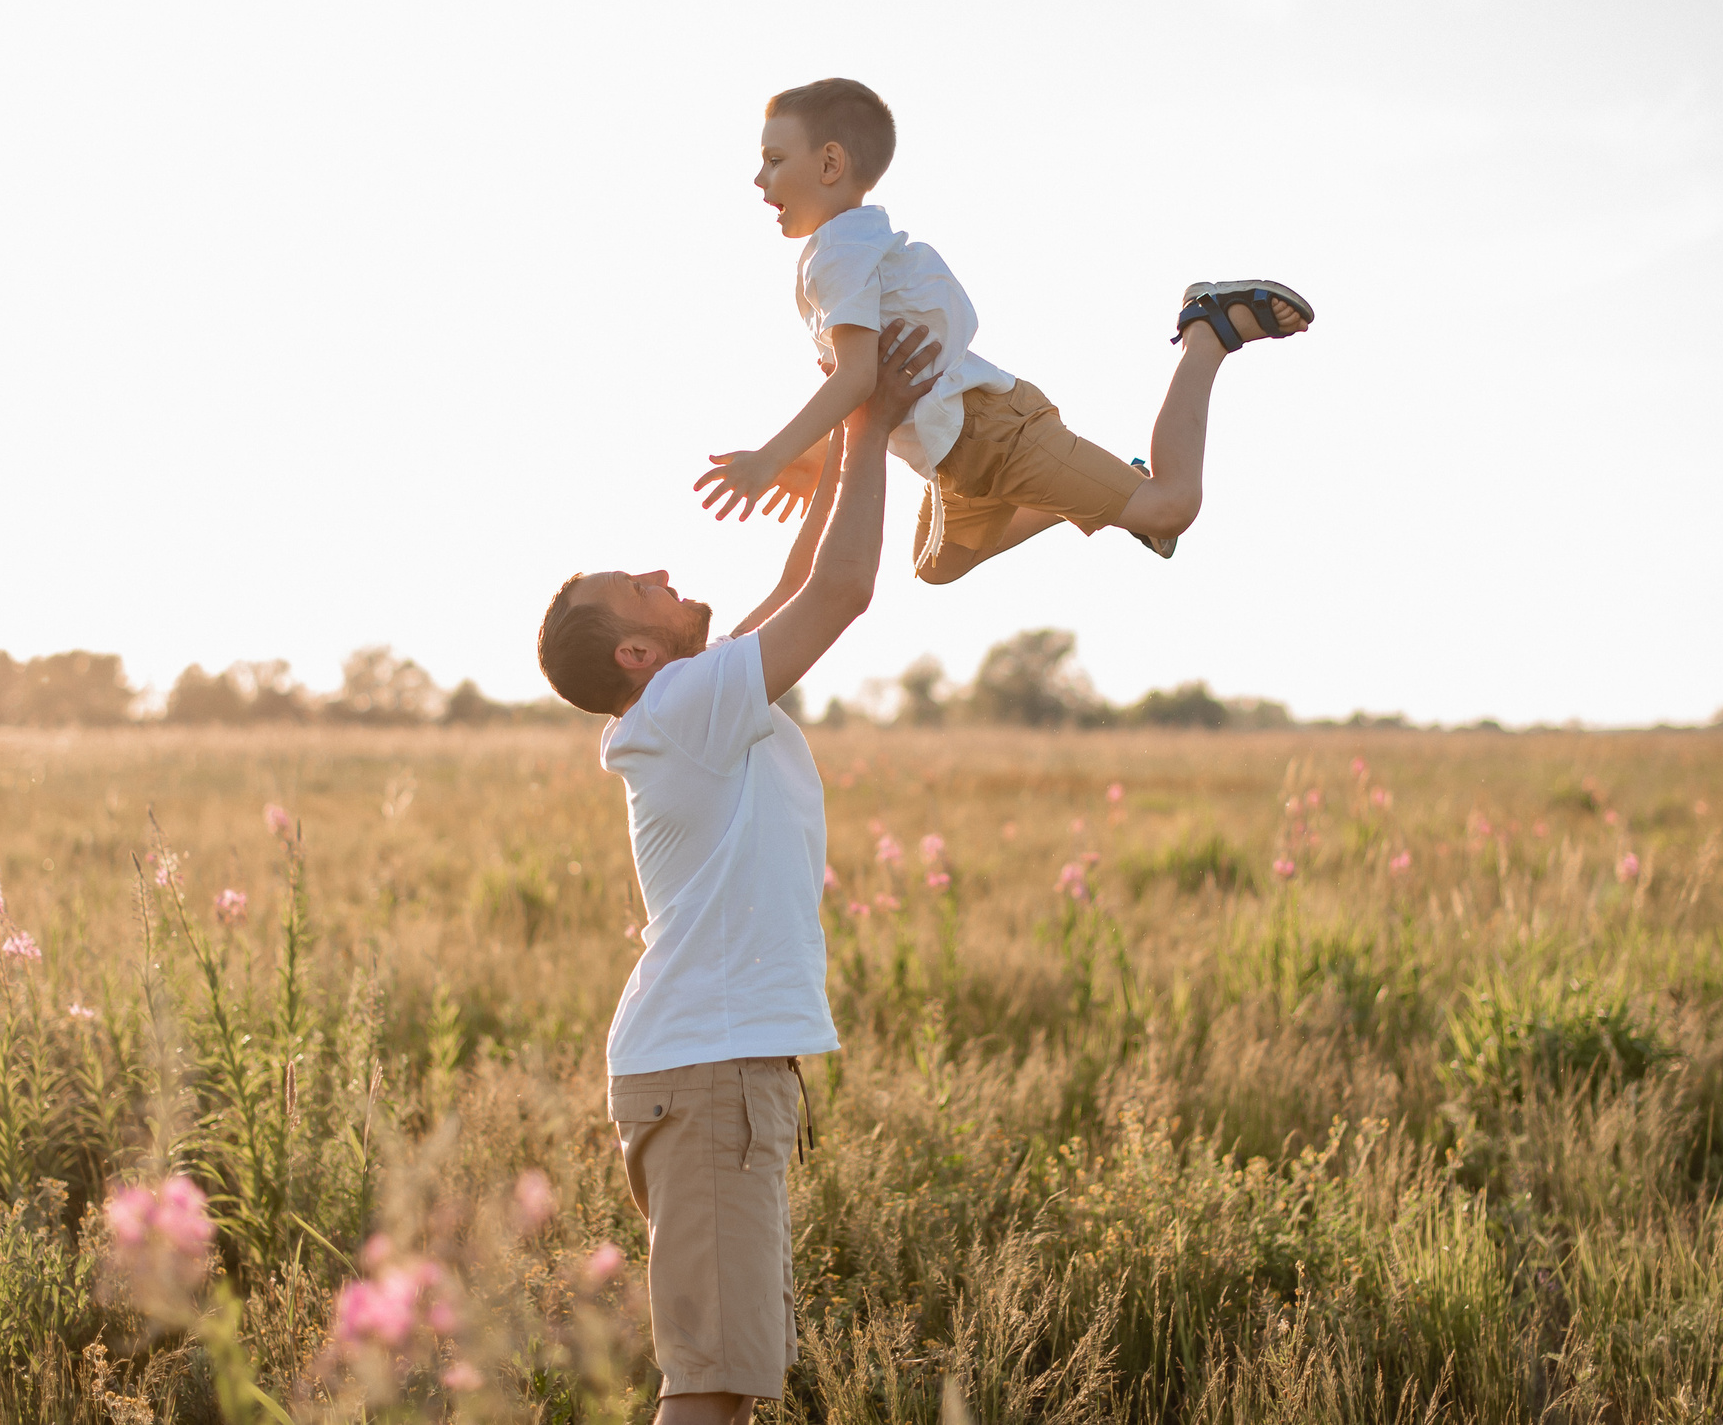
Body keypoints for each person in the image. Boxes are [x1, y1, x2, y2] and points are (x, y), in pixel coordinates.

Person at [536, 319, 943, 1424]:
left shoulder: (688, 701)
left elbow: (792, 583)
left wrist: (838, 457)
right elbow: (843, 590)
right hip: (710, 1064)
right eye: (641, 586)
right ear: (635, 652)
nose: (667, 573)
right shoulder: (682, 704)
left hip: (709, 1061)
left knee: (722, 1373)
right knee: (712, 1386)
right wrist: (864, 420)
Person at [693, 77, 1314, 582]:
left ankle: (1207, 330)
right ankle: (1107, 487)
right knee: (934, 568)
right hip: (956, 459)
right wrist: (815, 458)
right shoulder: (845, 248)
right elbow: (882, 385)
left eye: (773, 161)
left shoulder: (838, 255)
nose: (759, 179)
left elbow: (857, 378)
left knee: (1171, 508)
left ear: (830, 162)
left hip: (996, 432)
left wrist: (771, 459)